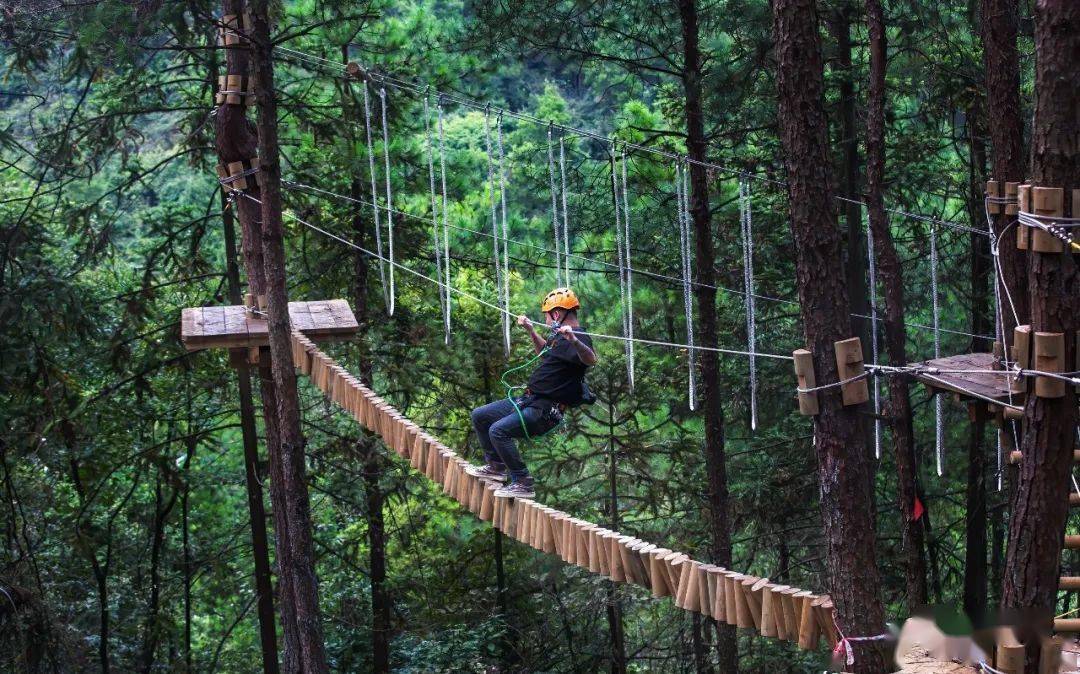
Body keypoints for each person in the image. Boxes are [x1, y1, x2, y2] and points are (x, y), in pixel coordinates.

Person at [466, 287, 597, 499]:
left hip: (545, 410)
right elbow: (544, 354)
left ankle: (522, 481)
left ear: (556, 314)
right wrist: (530, 330)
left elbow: (591, 359)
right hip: (529, 400)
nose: (544, 320)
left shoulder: (579, 336)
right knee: (480, 416)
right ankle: (496, 468)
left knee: (498, 431)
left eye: (546, 315)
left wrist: (574, 339)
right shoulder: (558, 337)